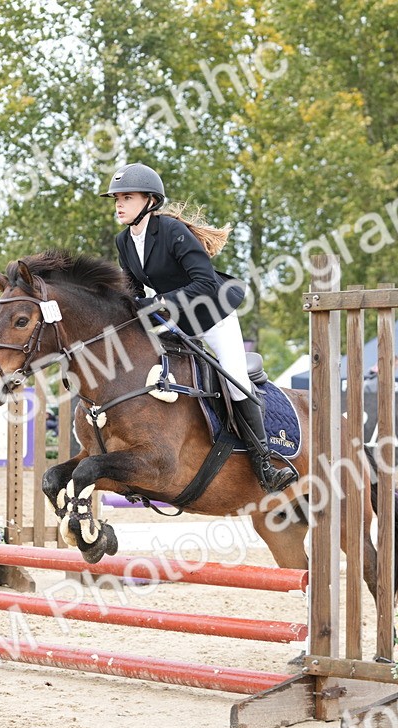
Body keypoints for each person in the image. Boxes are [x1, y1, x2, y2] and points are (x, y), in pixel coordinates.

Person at [101, 162, 294, 493]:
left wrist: (158, 303)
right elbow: (133, 290)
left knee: (235, 382)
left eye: (127, 197)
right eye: (116, 198)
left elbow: (204, 283)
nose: (119, 204)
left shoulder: (174, 232)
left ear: (149, 201)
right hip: (175, 322)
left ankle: (265, 464)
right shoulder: (124, 241)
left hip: (212, 316)